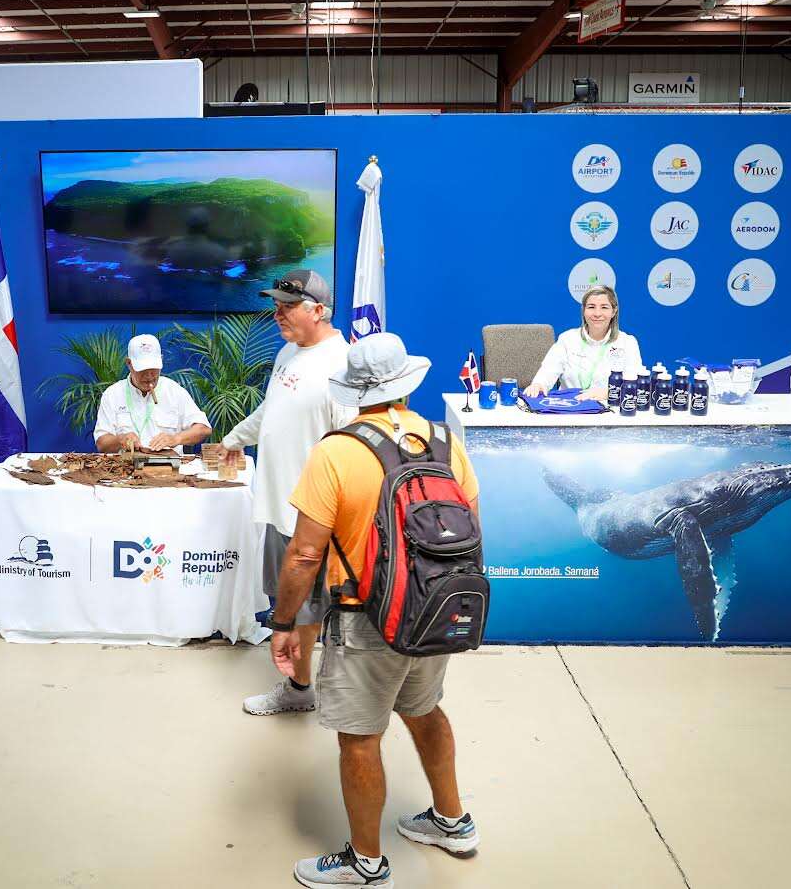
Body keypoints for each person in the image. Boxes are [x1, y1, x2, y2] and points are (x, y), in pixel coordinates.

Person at [270, 332, 481, 888]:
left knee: (359, 738)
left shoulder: (337, 450)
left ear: (354, 392)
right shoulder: (444, 442)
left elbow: (305, 554)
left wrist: (285, 623)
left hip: (366, 619)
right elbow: (473, 530)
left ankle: (366, 862)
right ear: (404, 384)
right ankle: (452, 822)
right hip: (435, 608)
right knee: (425, 710)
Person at [215, 269, 355, 716]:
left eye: (288, 306)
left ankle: (300, 691)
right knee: (293, 600)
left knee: (307, 607)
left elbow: (354, 441)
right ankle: (307, 682)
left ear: (319, 310)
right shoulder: (289, 352)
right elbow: (270, 410)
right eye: (276, 305)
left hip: (314, 513)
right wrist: (234, 438)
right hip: (281, 505)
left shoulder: (341, 365)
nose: (278, 314)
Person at [94, 333, 211, 453]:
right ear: (129, 363)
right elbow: (101, 443)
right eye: (143, 369)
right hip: (125, 468)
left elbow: (204, 429)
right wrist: (121, 440)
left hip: (169, 468)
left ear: (161, 360)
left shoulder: (174, 391)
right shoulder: (113, 394)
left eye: (154, 368)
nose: (149, 376)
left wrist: (176, 438)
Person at [523, 285, 642, 400]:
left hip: (609, 411)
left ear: (614, 311)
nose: (597, 313)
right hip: (568, 410)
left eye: (604, 307)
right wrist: (538, 385)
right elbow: (549, 370)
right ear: (584, 310)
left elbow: (634, 384)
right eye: (591, 307)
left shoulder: (627, 342)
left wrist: (607, 393)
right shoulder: (567, 339)